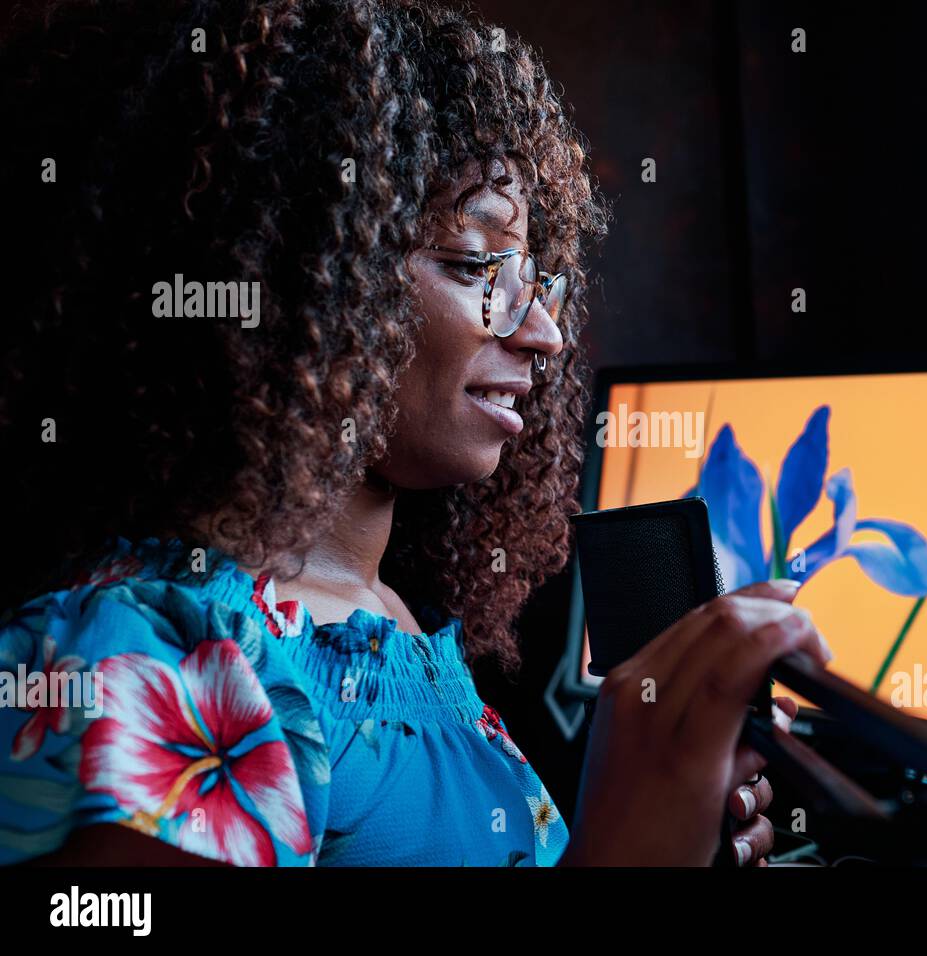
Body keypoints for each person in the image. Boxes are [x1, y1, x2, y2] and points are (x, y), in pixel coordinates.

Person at [0, 0, 830, 867]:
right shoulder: (148, 653)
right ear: (288, 276)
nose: (543, 331)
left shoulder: (398, 632)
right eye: (477, 265)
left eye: (536, 278)